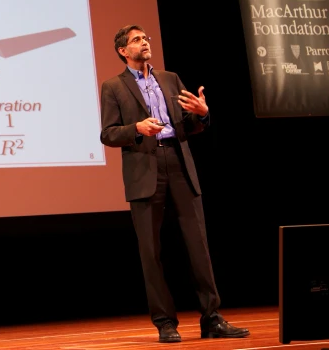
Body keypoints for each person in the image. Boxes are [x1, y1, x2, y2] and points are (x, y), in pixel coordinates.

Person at [99, 24, 250, 343]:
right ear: (123, 51)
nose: (144, 43)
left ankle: (212, 318)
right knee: (151, 251)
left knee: (198, 244)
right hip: (144, 168)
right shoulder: (113, 86)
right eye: (137, 40)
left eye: (145, 38)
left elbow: (186, 126)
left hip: (179, 163)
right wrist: (137, 128)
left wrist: (203, 115)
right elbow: (108, 134)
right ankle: (165, 322)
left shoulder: (169, 79)